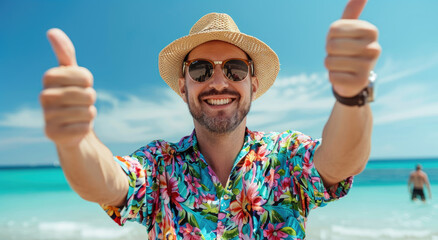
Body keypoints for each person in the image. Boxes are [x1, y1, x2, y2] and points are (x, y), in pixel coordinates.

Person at [39, 0, 380, 239]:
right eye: (201, 70)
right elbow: (107, 183)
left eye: (235, 69)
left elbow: (339, 162)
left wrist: (352, 96)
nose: (219, 82)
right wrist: (75, 141)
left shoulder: (285, 157)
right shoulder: (159, 165)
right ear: (182, 86)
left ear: (253, 83)